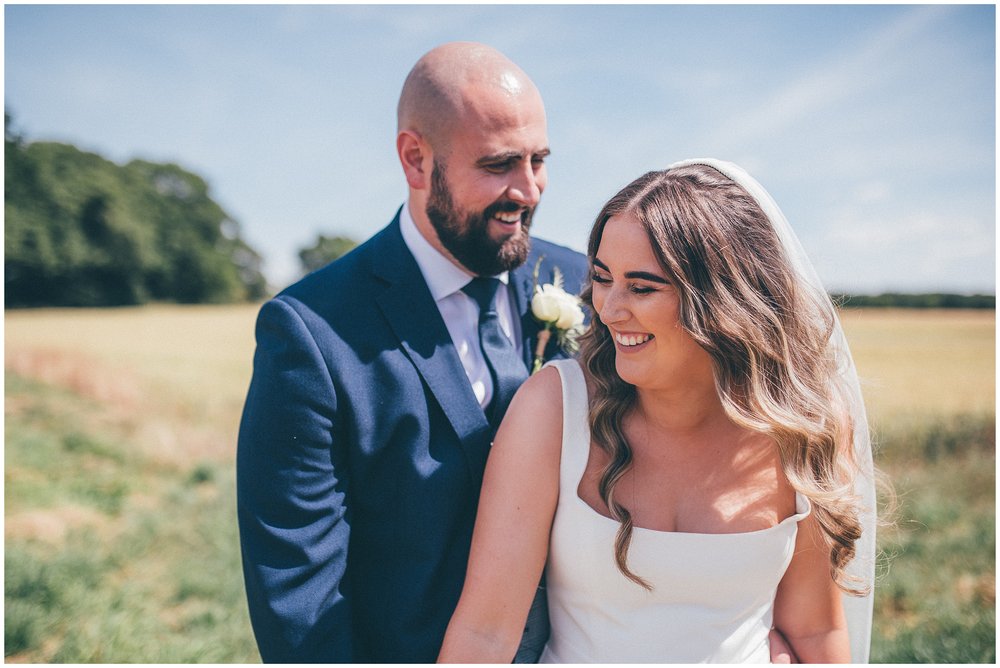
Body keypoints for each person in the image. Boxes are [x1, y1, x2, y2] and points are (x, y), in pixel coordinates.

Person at [438, 159, 878, 663]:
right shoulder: (555, 408)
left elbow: (816, 633)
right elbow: (486, 633)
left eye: (642, 287)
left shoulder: (803, 428)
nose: (608, 308)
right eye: (603, 278)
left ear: (722, 298)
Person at [235, 42, 588, 662]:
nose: (529, 190)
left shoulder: (586, 282)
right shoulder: (312, 331)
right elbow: (301, 598)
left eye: (539, 160)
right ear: (415, 159)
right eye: (500, 163)